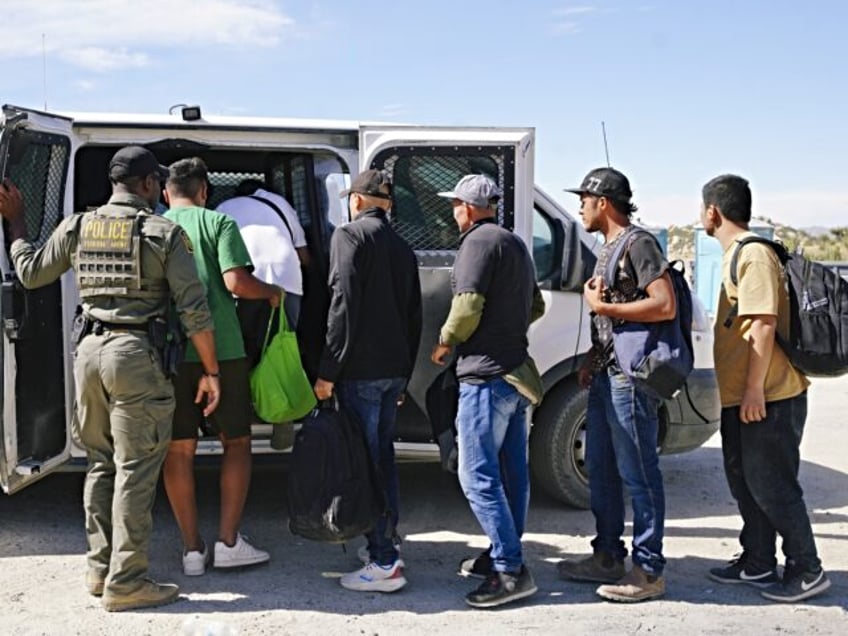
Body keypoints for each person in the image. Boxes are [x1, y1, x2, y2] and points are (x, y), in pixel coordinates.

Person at [0, 146, 220, 612]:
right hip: (136, 357)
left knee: (101, 464)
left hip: (89, 355)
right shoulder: (163, 232)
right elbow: (195, 312)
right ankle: (127, 582)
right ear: (145, 185)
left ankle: (99, 570)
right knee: (136, 471)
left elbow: (30, 273)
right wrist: (212, 371)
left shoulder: (78, 226)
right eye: (155, 184)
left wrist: (16, 224)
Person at [700, 174, 830, 603]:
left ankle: (807, 569)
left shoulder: (753, 254)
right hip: (745, 396)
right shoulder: (739, 253)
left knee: (773, 484)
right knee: (745, 481)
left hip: (770, 396)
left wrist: (754, 390)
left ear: (712, 212)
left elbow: (763, 324)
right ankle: (757, 561)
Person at [162, 157, 283, 577]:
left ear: (165, 192)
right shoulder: (218, 224)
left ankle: (191, 550)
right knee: (236, 443)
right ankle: (229, 543)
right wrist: (273, 292)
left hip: (171, 353)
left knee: (178, 450)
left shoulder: (155, 225)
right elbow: (236, 284)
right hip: (224, 351)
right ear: (205, 191)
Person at [558, 167, 674, 603]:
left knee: (639, 474)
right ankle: (607, 556)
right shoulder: (607, 247)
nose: (581, 208)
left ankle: (648, 570)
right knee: (602, 470)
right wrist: (593, 357)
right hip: (608, 373)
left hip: (631, 377)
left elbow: (663, 303)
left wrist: (602, 304)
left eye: (584, 200)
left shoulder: (639, 242)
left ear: (603, 202)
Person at [431, 174, 545, 609]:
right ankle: (504, 552)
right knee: (511, 474)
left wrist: (445, 341)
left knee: (476, 476)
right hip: (515, 373)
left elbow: (467, 305)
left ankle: (510, 571)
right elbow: (536, 305)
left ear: (468, 206)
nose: (453, 211)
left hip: (485, 378)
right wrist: (505, 329)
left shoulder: (476, 243)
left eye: (455, 204)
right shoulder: (515, 243)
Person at [313, 169, 422, 593]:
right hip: (394, 371)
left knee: (366, 464)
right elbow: (415, 317)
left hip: (360, 371)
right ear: (387, 204)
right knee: (383, 460)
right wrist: (406, 375)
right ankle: (386, 543)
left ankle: (384, 562)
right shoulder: (402, 246)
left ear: (357, 200)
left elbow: (342, 303)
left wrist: (327, 371)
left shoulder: (348, 237)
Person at [217, 180, 310, 450]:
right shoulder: (279, 203)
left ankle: (242, 413)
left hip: (245, 283)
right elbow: (303, 255)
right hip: (286, 282)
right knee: (283, 347)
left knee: (242, 349)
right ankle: (284, 417)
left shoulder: (224, 207)